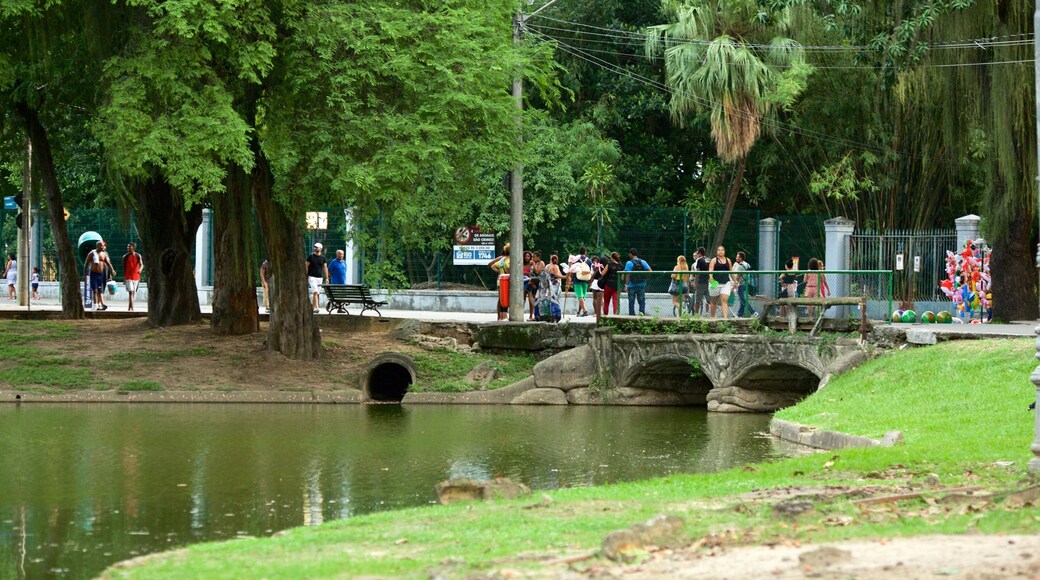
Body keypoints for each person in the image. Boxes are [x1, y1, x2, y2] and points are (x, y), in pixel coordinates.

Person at [84, 241, 115, 310]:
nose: (102, 247)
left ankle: (101, 304)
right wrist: (85, 276)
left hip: (101, 275)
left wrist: (112, 270)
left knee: (100, 290)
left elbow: (108, 263)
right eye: (101, 245)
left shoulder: (104, 254)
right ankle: (95, 305)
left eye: (103, 245)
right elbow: (86, 265)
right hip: (93, 274)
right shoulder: (92, 253)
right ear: (97, 246)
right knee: (95, 290)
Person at [707, 245, 734, 319]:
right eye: (719, 250)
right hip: (715, 282)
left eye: (722, 250)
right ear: (717, 252)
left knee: (724, 300)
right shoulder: (714, 260)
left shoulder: (728, 260)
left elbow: (731, 271)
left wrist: (735, 281)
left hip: (726, 283)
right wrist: (711, 279)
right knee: (714, 301)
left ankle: (725, 318)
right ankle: (713, 317)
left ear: (724, 251)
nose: (720, 251)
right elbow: (710, 271)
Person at [623, 248, 651, 316]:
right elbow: (650, 271)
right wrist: (644, 277)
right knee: (641, 301)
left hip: (631, 285)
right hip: (641, 284)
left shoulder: (629, 263)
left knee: (631, 301)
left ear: (630, 254)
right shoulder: (643, 262)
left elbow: (627, 275)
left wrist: (626, 285)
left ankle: (632, 316)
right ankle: (642, 315)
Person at [488, 243, 511, 320]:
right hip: (507, 281)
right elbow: (508, 266)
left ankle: (500, 317)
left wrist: (500, 272)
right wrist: (508, 272)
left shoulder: (502, 259)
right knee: (505, 299)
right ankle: (504, 316)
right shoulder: (509, 260)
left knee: (501, 299)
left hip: (500, 281)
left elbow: (492, 266)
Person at [306, 242, 329, 314]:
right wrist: (306, 275)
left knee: (316, 293)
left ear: (320, 248)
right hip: (312, 276)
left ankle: (314, 307)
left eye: (317, 247)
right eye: (315, 247)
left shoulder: (323, 258)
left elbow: (325, 268)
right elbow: (306, 266)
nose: (316, 248)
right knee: (315, 292)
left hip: (319, 277)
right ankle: (316, 307)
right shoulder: (310, 257)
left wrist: (326, 278)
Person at [570, 247, 593, 317]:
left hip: (577, 280)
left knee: (580, 296)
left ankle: (585, 311)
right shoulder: (589, 260)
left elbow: (572, 270)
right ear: (585, 252)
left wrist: (570, 279)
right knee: (582, 297)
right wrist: (590, 281)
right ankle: (578, 312)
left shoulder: (576, 260)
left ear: (579, 252)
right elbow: (590, 271)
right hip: (586, 279)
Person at [732, 251, 756, 318]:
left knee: (743, 300)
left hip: (741, 284)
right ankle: (739, 315)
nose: (736, 258)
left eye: (737, 257)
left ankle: (753, 312)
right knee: (742, 300)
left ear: (741, 258)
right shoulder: (747, 264)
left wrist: (735, 284)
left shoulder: (740, 266)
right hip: (747, 284)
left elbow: (738, 276)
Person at [122, 243, 144, 311]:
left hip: (136, 277)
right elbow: (124, 268)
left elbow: (142, 264)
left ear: (133, 247)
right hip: (128, 277)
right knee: (131, 292)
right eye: (127, 246)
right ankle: (133, 308)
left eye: (129, 246)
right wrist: (124, 278)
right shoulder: (125, 257)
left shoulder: (138, 256)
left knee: (132, 292)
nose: (128, 248)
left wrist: (140, 270)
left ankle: (129, 308)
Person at [691, 247, 710, 316]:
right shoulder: (709, 259)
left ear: (699, 253)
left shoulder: (699, 260)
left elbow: (698, 273)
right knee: (708, 300)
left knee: (697, 300)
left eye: (697, 253)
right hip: (709, 282)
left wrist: (695, 282)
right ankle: (708, 313)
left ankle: (696, 315)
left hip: (701, 282)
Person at [528, 251, 545, 321]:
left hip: (538, 281)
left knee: (536, 298)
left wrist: (534, 264)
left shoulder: (541, 263)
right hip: (532, 281)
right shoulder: (533, 263)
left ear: (538, 257)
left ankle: (537, 314)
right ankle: (534, 314)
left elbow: (537, 272)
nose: (532, 258)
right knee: (531, 297)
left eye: (534, 257)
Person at [589, 256, 604, 323]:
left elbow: (592, 275)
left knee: (596, 298)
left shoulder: (594, 266)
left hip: (595, 281)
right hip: (600, 281)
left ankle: (597, 312)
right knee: (599, 297)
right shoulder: (601, 266)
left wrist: (590, 282)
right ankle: (599, 312)